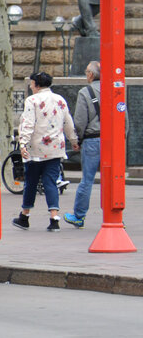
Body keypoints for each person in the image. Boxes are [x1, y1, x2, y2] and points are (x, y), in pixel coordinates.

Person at [12, 71, 78, 232]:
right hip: (56, 148)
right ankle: (54, 218)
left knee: (31, 182)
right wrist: (74, 141)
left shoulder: (32, 100)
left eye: (32, 83)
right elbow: (68, 122)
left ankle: (25, 216)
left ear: (37, 84)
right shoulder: (60, 99)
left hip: (36, 150)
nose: (30, 85)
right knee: (50, 182)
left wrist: (23, 144)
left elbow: (27, 123)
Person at [64, 61, 101, 228]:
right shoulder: (115, 90)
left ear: (91, 75)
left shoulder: (85, 92)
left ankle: (79, 216)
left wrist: (76, 140)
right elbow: (125, 116)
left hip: (92, 140)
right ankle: (115, 216)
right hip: (112, 142)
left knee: (87, 179)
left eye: (86, 72)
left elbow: (79, 121)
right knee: (112, 179)